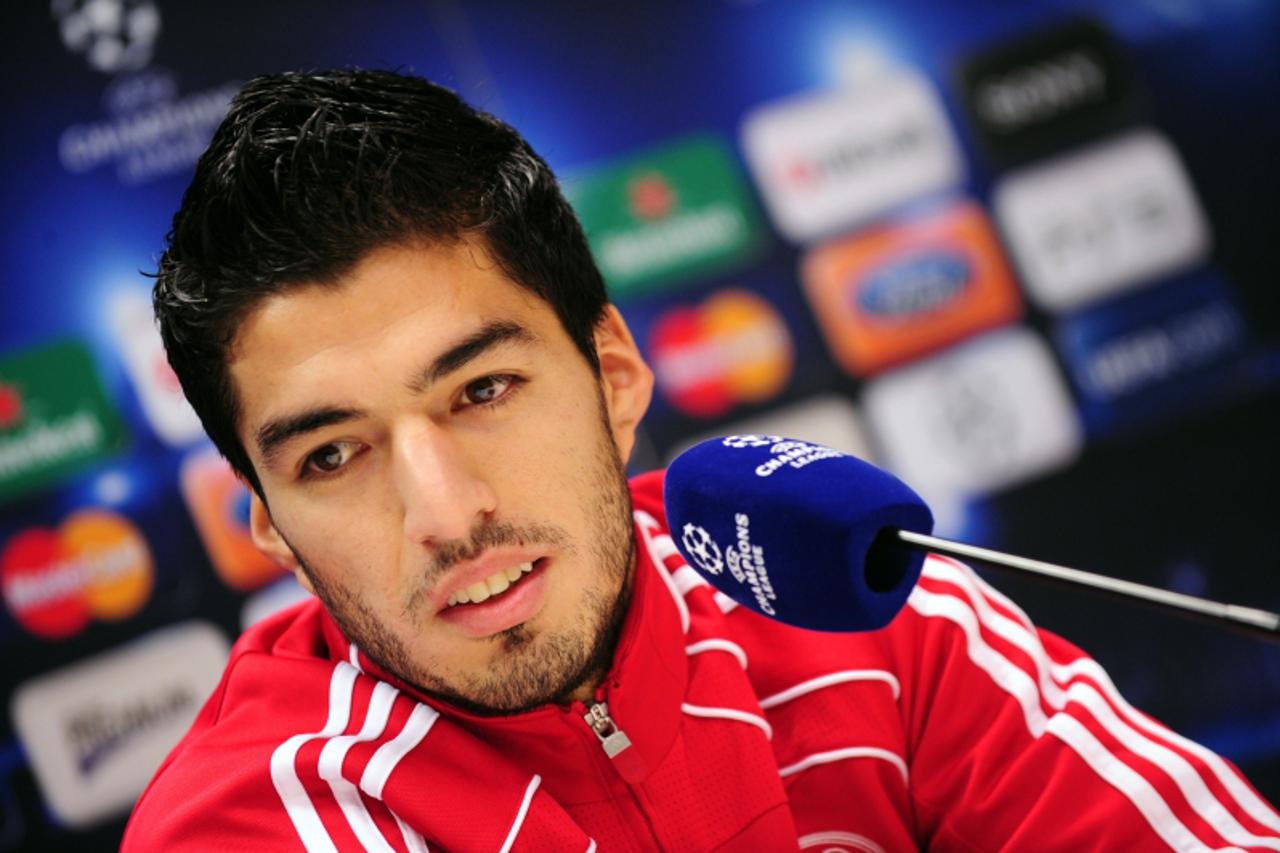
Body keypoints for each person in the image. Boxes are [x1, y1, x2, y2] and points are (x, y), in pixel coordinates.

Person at [122, 68, 1279, 852]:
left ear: (614, 375)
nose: (444, 512)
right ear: (267, 525)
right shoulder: (251, 823)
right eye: (331, 454)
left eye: (481, 390)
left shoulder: (848, 596)